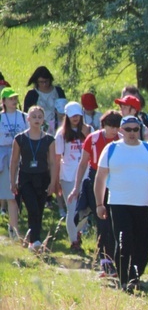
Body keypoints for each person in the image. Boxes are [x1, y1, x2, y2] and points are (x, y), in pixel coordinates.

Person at [94, 115, 148, 292]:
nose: (132, 133)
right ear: (121, 130)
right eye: (128, 129)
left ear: (140, 130)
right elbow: (100, 178)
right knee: (123, 240)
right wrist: (99, 203)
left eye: (135, 129)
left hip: (143, 204)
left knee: (142, 245)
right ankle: (124, 279)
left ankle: (135, 276)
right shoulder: (111, 149)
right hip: (118, 203)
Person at [67, 110, 121, 275]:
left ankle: (115, 258)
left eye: (117, 126)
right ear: (104, 125)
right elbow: (83, 164)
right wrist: (76, 187)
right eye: (111, 126)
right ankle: (105, 260)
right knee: (102, 220)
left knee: (115, 221)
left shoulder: (122, 139)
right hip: (95, 177)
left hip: (116, 180)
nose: (114, 130)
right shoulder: (93, 138)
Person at [9, 106, 56, 251]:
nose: (37, 119)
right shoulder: (20, 138)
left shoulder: (49, 139)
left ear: (43, 120)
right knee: (32, 208)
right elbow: (15, 161)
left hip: (42, 177)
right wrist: (13, 181)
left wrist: (53, 182)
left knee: (40, 209)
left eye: (39, 117)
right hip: (26, 177)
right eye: (33, 116)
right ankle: (34, 241)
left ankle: (35, 241)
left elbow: (53, 163)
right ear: (28, 119)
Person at [55, 101, 92, 251]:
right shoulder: (61, 134)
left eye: (78, 114)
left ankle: (77, 231)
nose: (75, 118)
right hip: (68, 175)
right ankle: (74, 240)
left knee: (87, 209)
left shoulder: (89, 129)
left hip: (86, 174)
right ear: (67, 116)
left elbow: (94, 149)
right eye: (72, 115)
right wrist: (56, 179)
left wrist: (87, 132)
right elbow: (57, 158)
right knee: (72, 208)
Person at [0, 88, 28, 240]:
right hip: (4, 156)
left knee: (18, 194)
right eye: (10, 99)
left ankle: (19, 228)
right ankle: (12, 228)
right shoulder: (0, 118)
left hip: (22, 155)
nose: (14, 101)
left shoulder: (24, 117)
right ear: (3, 101)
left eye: (15, 98)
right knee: (8, 193)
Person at [22, 66, 66, 133]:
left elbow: (64, 109)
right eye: (41, 82)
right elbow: (26, 114)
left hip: (58, 128)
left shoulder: (58, 91)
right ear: (36, 81)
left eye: (46, 81)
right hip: (39, 130)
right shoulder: (31, 95)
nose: (44, 84)